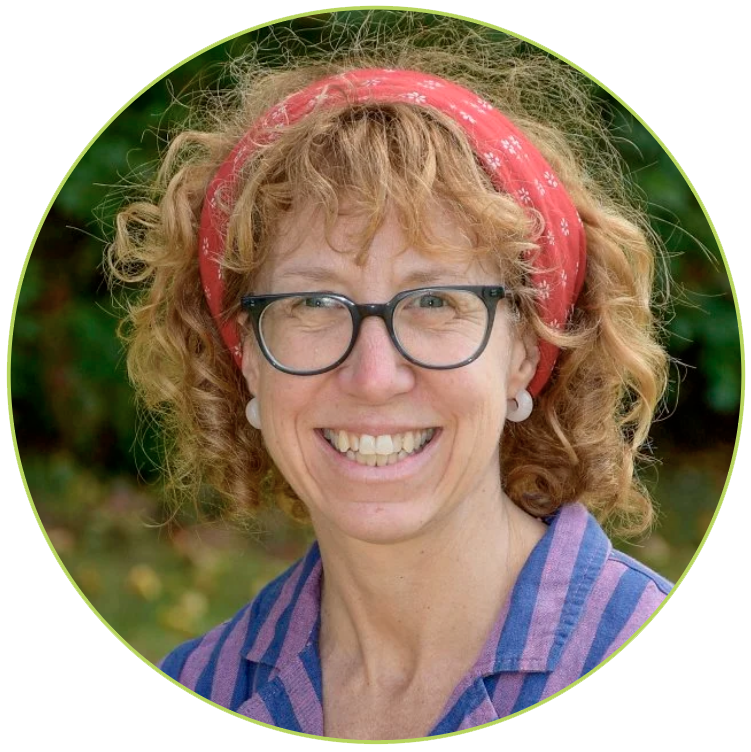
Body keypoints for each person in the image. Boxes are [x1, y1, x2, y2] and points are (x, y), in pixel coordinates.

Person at [107, 14, 673, 740]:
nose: (373, 377)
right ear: (244, 352)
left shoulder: (673, 678)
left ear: (527, 349)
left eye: (435, 301)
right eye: (312, 303)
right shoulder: (192, 696)